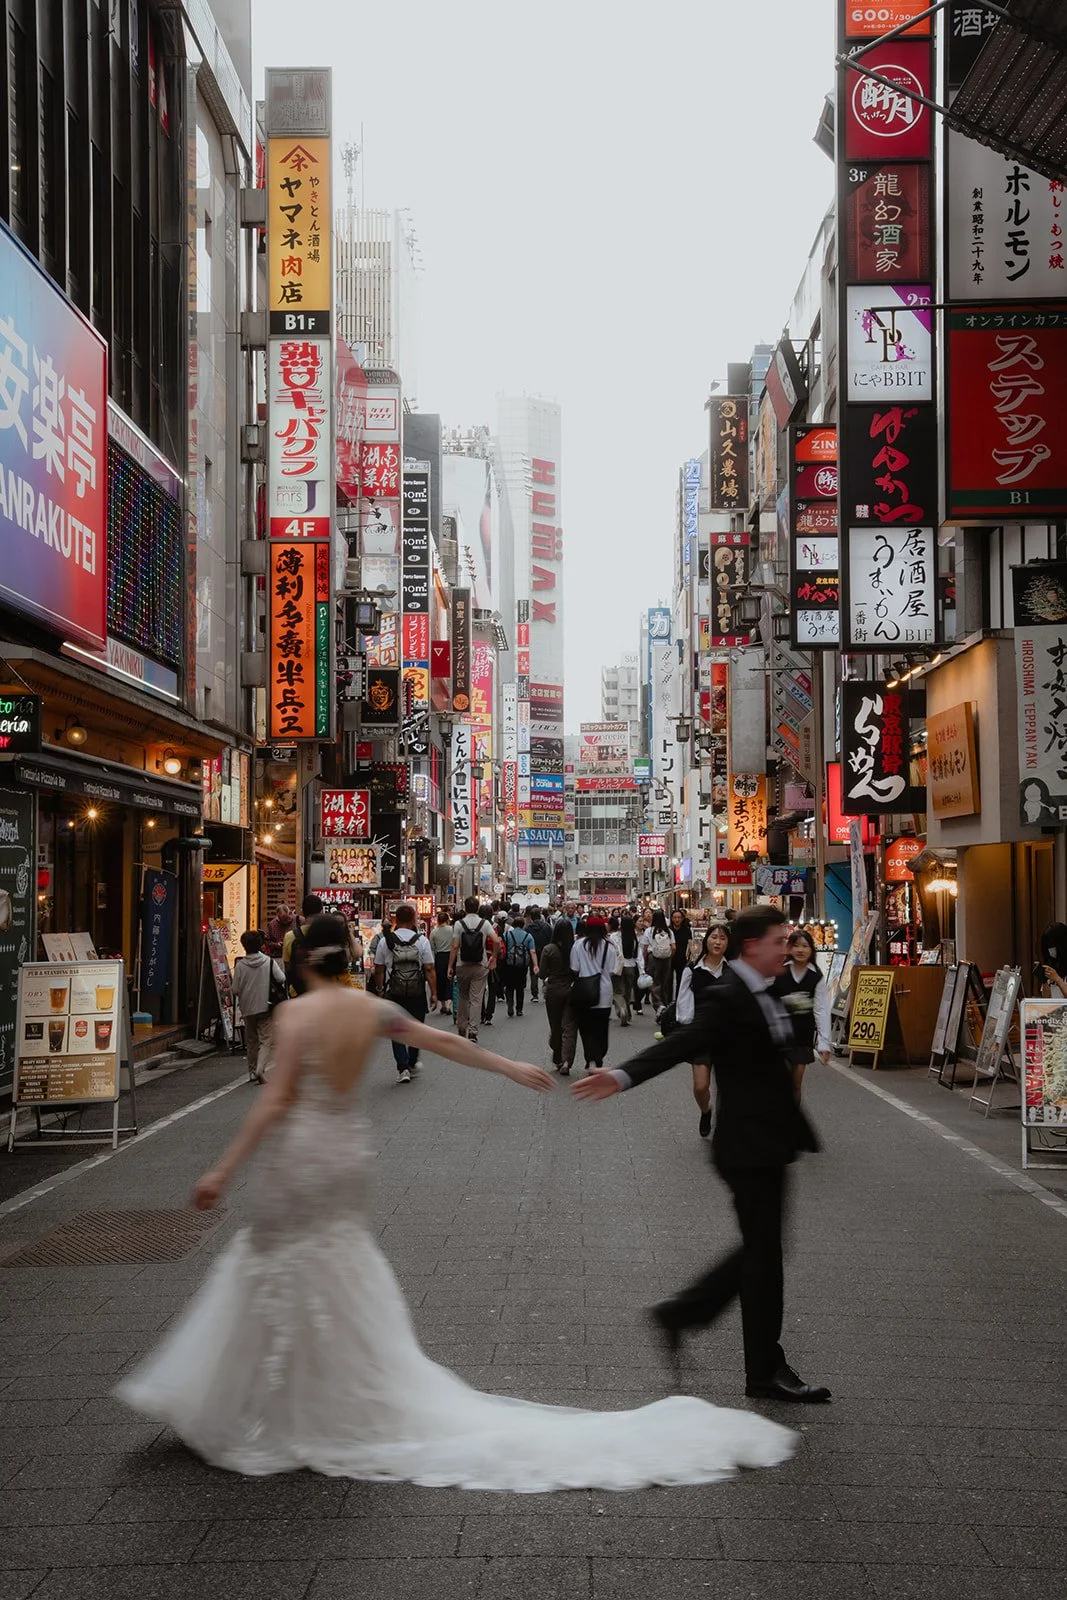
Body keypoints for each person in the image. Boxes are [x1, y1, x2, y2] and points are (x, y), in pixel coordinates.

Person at [115, 914, 793, 1487]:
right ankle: (334, 1392)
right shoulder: (367, 1009)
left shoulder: (295, 1016)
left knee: (272, 1264)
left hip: (300, 1153)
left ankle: (267, 1396)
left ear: (298, 960)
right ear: (347, 956)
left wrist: (222, 1169)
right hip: (346, 1153)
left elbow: (273, 1100)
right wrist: (507, 1065)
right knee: (334, 1261)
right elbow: (440, 1040)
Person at [573, 905, 829, 1406]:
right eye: (779, 941)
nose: (787, 948)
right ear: (752, 946)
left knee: (763, 1254)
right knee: (764, 1259)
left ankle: (691, 1318)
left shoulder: (771, 988)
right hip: (747, 1147)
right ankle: (759, 1367)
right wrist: (621, 1076)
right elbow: (683, 1041)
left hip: (768, 1143)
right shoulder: (729, 995)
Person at [674, 923, 730, 1138]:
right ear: (706, 940)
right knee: (700, 1086)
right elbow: (683, 1001)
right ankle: (705, 1111)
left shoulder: (733, 970)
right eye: (714, 937)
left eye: (723, 938)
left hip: (728, 1036)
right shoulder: (692, 969)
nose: (717, 942)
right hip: (701, 1035)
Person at [373, 904, 435, 1083]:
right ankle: (413, 1061)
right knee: (417, 1026)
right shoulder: (422, 940)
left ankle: (403, 1068)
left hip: (395, 990)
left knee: (396, 1029)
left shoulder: (386, 941)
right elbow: (429, 968)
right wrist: (434, 992)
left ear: (396, 920)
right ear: (414, 919)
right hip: (416, 990)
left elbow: (379, 969)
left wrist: (380, 990)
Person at [771, 928, 831, 1100]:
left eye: (805, 946)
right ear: (789, 949)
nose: (800, 950)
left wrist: (824, 1043)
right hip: (780, 1036)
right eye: (795, 945)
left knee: (796, 1083)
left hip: (802, 1036)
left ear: (811, 949)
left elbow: (821, 1009)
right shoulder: (779, 972)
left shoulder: (816, 977)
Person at [232, 930, 285, 1084]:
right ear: (261, 945)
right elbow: (281, 978)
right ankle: (260, 1068)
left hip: (247, 1007)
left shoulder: (240, 966)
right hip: (266, 1005)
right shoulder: (268, 962)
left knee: (251, 1040)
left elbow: (235, 989)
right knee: (266, 1040)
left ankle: (252, 1072)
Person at [569, 915, 617, 1073]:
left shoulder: (578, 945)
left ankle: (590, 1059)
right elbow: (612, 970)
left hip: (584, 993)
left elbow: (574, 968)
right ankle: (598, 1058)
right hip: (604, 993)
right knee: (602, 1028)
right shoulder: (609, 946)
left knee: (586, 1028)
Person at [450, 896, 498, 1042]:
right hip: (480, 965)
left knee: (463, 997)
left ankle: (461, 1027)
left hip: (462, 965)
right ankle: (473, 1032)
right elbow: (496, 940)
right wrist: (493, 957)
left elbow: (454, 946)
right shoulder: (484, 923)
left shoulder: (459, 924)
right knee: (476, 999)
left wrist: (449, 966)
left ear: (465, 907)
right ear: (477, 908)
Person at [541, 917, 577, 1074]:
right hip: (571, 988)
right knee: (569, 1026)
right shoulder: (575, 949)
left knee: (555, 1025)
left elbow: (542, 973)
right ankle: (567, 1060)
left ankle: (558, 1057)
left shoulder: (548, 949)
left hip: (554, 989)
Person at [284, 895, 324, 996]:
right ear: (322, 912)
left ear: (302, 912)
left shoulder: (290, 936)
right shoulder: (328, 934)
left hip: (297, 992)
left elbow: (287, 964)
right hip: (323, 991)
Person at [502, 914, 537, 1018]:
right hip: (522, 965)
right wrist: (535, 964)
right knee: (520, 987)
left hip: (509, 964)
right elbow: (533, 951)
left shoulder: (507, 935)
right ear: (523, 925)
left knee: (509, 986)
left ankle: (510, 1003)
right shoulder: (528, 936)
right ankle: (519, 1009)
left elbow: (502, 949)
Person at [642, 909, 675, 1011]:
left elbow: (645, 948)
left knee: (655, 982)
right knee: (665, 982)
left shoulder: (649, 931)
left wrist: (644, 960)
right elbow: (673, 947)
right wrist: (669, 955)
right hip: (667, 958)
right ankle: (665, 1004)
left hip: (653, 958)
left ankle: (658, 1005)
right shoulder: (669, 931)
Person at [430, 909, 456, 1017]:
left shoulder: (434, 932)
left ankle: (443, 1005)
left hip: (439, 957)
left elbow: (432, 947)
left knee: (440, 980)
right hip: (451, 956)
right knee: (450, 979)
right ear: (447, 920)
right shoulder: (452, 930)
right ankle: (450, 1004)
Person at [616, 914, 640, 1024]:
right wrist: (642, 969)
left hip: (619, 967)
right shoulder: (634, 938)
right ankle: (628, 1011)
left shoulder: (615, 937)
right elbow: (637, 954)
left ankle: (622, 1010)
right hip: (631, 966)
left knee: (618, 991)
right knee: (628, 991)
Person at [526, 906, 552, 1003]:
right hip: (546, 951)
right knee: (547, 972)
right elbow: (551, 939)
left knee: (534, 972)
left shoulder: (528, 928)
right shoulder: (547, 927)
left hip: (533, 953)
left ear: (531, 917)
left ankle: (535, 994)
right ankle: (546, 991)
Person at [670, 909, 693, 998]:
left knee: (681, 981)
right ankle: (668, 1002)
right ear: (672, 918)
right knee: (668, 981)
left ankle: (678, 1000)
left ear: (682, 919)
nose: (677, 920)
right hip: (670, 959)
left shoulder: (687, 931)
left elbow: (690, 944)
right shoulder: (669, 930)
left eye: (679, 917)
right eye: (675, 917)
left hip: (682, 959)